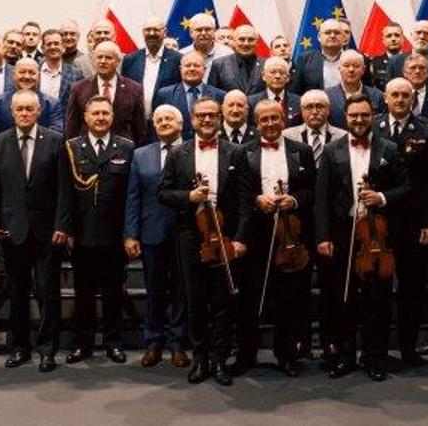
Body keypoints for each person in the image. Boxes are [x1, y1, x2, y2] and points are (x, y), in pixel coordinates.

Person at [314, 95, 406, 380]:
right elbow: (322, 197)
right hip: (343, 233)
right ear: (345, 117)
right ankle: (345, 355)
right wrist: (323, 236)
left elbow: (407, 187)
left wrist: (381, 197)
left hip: (377, 235)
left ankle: (374, 357)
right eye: (353, 115)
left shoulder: (389, 148)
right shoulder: (332, 150)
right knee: (344, 298)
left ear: (372, 116)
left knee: (377, 300)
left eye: (364, 115)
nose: (358, 120)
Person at [157, 97, 247, 385]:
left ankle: (220, 360)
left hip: (225, 235)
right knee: (194, 300)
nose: (207, 120)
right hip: (190, 236)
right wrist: (189, 196)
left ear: (219, 118)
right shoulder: (178, 153)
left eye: (212, 115)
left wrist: (240, 238)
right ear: (192, 119)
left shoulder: (236, 152)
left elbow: (245, 200)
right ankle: (200, 359)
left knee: (223, 301)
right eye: (201, 115)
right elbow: (162, 193)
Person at [0, 91, 68, 371]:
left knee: (48, 293)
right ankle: (20, 348)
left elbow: (64, 188)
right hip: (11, 230)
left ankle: (47, 350)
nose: (25, 113)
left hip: (47, 232)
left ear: (39, 110)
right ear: (12, 111)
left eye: (30, 108)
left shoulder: (55, 140)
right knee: (17, 293)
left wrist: (62, 225)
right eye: (19, 109)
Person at [230, 100, 315, 378]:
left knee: (288, 298)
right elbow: (237, 193)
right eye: (264, 119)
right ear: (256, 124)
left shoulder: (302, 151)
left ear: (283, 120)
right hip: (255, 233)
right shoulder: (243, 152)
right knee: (249, 298)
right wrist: (257, 200)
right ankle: (246, 355)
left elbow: (311, 190)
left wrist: (294, 199)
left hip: (290, 233)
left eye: (274, 118)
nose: (270, 124)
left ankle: (286, 355)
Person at [57, 96, 137, 365]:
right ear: (85, 117)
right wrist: (66, 229)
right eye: (95, 113)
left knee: (114, 292)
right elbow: (65, 193)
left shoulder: (126, 148)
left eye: (105, 113)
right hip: (82, 234)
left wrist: (129, 233)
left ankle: (114, 342)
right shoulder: (71, 147)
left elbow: (131, 196)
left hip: (115, 235)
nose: (100, 118)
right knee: (84, 294)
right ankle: (83, 343)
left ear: (112, 117)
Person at [376, 78, 428, 364]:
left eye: (405, 95)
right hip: (377, 222)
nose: (400, 100)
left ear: (413, 99)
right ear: (385, 98)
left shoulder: (427, 130)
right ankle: (377, 349)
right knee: (378, 287)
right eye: (395, 95)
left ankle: (408, 348)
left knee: (411, 288)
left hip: (413, 222)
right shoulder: (373, 126)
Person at [125, 106, 190, 369]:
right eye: (158, 119)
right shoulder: (140, 155)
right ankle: (153, 342)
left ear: (181, 123)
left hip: (186, 232)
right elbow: (133, 197)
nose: (163, 122)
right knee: (154, 291)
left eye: (169, 119)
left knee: (181, 291)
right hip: (152, 232)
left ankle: (178, 344)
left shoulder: (192, 150)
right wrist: (131, 234)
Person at [63, 42, 149, 142]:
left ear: (118, 61)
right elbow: (71, 128)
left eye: (108, 58)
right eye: (99, 57)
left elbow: (140, 130)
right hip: (88, 148)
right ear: (94, 60)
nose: (103, 61)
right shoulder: (79, 88)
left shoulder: (134, 89)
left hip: (123, 148)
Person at [121, 18, 183, 102]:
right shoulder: (130, 59)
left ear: (165, 32)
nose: (151, 33)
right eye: (148, 30)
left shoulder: (178, 59)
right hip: (137, 110)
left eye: (156, 30)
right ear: (143, 32)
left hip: (166, 109)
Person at [156, 51, 225, 124]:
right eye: (188, 66)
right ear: (180, 69)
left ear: (204, 69)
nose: (192, 69)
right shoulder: (165, 94)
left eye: (196, 66)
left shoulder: (219, 95)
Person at [325, 50, 384, 129]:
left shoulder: (377, 96)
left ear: (363, 70)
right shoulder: (327, 96)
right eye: (346, 66)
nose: (351, 70)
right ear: (339, 68)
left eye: (356, 66)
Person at [295, 18, 353, 94]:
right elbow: (295, 93)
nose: (332, 36)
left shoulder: (356, 59)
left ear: (343, 37)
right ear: (319, 37)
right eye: (327, 32)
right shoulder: (305, 60)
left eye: (337, 33)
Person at [209, 25, 266, 95]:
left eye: (251, 40)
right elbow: (211, 94)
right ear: (234, 42)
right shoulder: (219, 64)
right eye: (241, 39)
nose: (246, 43)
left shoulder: (266, 64)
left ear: (257, 43)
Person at [36, 29, 87, 101]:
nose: (53, 47)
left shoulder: (76, 74)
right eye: (49, 44)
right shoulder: (34, 71)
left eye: (56, 43)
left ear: (63, 47)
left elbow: (81, 99)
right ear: (42, 48)